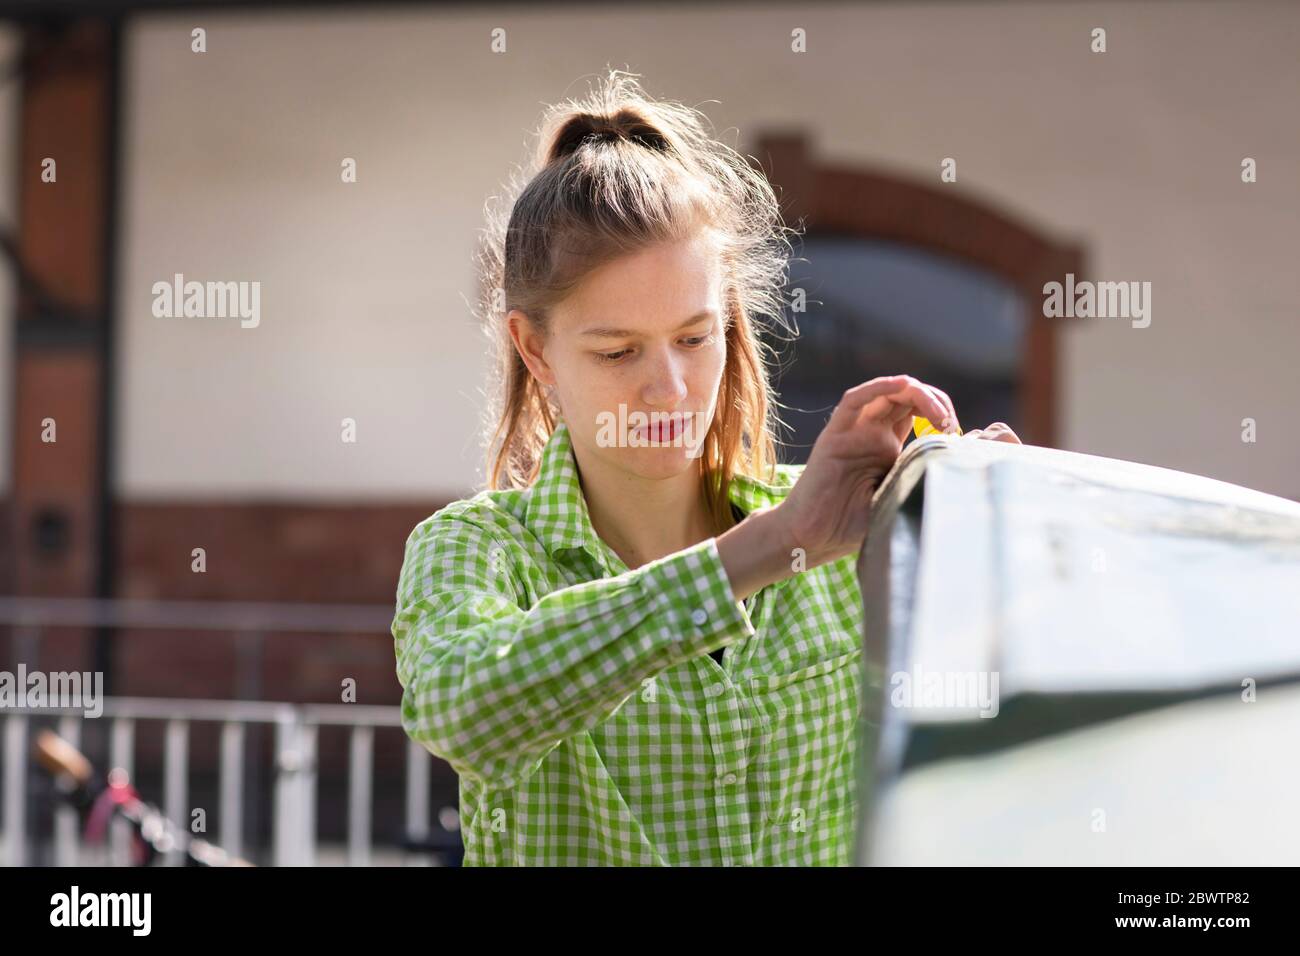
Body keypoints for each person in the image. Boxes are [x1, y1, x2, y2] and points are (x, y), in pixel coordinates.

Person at [391, 69, 1021, 866]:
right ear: (534, 348)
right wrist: (771, 546)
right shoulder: (477, 549)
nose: (671, 387)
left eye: (695, 337)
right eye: (618, 351)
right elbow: (463, 710)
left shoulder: (847, 524)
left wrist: (1000, 539)